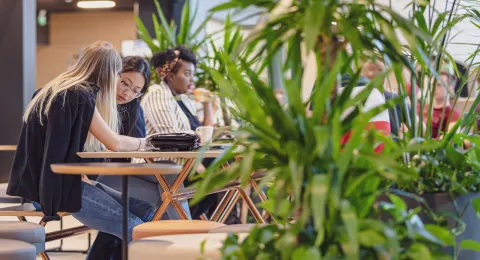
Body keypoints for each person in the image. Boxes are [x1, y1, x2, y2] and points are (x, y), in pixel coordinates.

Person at [7, 41, 152, 243]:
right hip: (55, 191)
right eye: (119, 76)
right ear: (110, 73)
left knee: (145, 210)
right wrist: (149, 142)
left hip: (41, 187)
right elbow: (115, 143)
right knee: (138, 229)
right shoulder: (80, 95)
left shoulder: (50, 90)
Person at [87, 56, 152, 260]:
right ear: (114, 74)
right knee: (146, 204)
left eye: (135, 91)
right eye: (125, 83)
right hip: (83, 175)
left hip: (111, 173)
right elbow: (118, 144)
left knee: (160, 192)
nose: (127, 92)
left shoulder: (133, 108)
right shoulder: (88, 100)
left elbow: (137, 150)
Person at [142, 46, 219, 219]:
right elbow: (173, 138)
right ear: (170, 76)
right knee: (217, 177)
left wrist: (207, 105)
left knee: (219, 175)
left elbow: (203, 133)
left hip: (183, 164)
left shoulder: (184, 99)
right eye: (187, 74)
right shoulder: (158, 95)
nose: (191, 79)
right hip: (163, 167)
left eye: (192, 74)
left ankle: (179, 223)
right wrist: (199, 166)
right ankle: (171, 223)